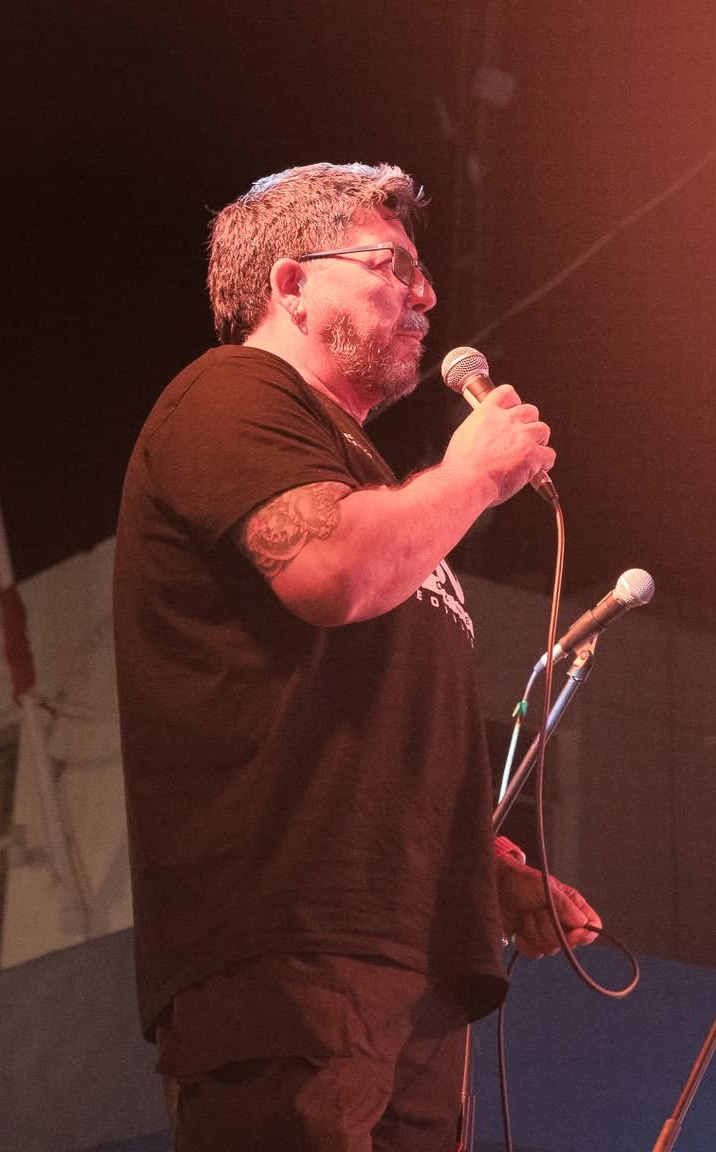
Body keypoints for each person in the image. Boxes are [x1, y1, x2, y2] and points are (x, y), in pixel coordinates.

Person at [113, 162, 601, 1152]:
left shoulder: (365, 471)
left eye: (421, 275)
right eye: (393, 267)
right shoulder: (226, 396)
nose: (424, 296)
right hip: (289, 953)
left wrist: (483, 870)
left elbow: (371, 722)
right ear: (291, 284)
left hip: (409, 957)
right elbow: (329, 570)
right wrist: (467, 477)